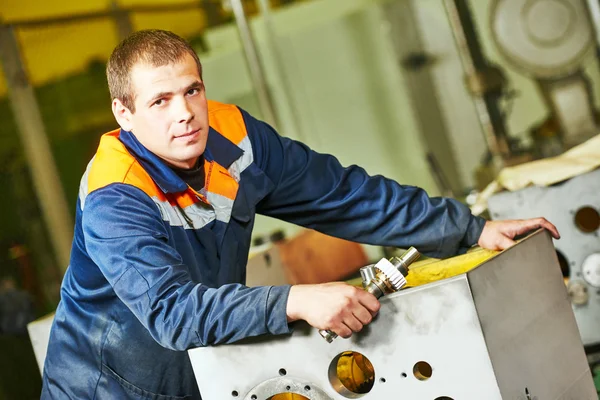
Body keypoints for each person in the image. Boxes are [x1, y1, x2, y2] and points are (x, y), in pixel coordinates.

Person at [41, 29, 559, 399]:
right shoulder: (115, 195)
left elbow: (340, 194)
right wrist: (295, 299)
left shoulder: (232, 137)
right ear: (123, 114)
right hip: (105, 390)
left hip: (201, 375)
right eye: (160, 101)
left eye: (192, 90)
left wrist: (472, 228)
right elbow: (174, 313)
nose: (184, 113)